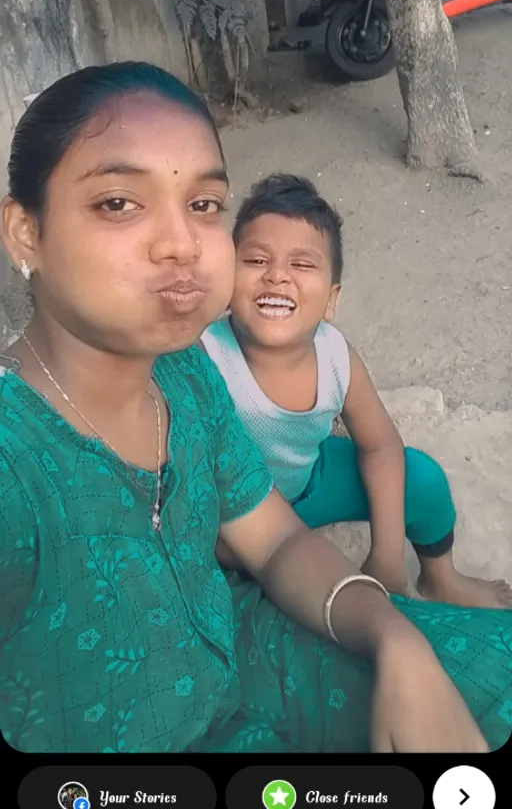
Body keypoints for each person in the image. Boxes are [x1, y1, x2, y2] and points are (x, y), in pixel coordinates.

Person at [0, 62, 511, 756]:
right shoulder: (17, 459)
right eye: (119, 202)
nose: (181, 243)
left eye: (205, 205)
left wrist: (396, 635)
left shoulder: (182, 376)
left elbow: (276, 540)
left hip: (253, 653)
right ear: (25, 232)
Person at [203, 174, 512, 611]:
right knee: (231, 568)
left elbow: (381, 445)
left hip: (308, 486)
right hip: (239, 520)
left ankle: (442, 579)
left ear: (331, 300)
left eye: (302, 265)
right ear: (225, 282)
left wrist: (385, 555)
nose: (277, 276)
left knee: (421, 478)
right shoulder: (203, 357)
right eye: (255, 261)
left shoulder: (335, 355)